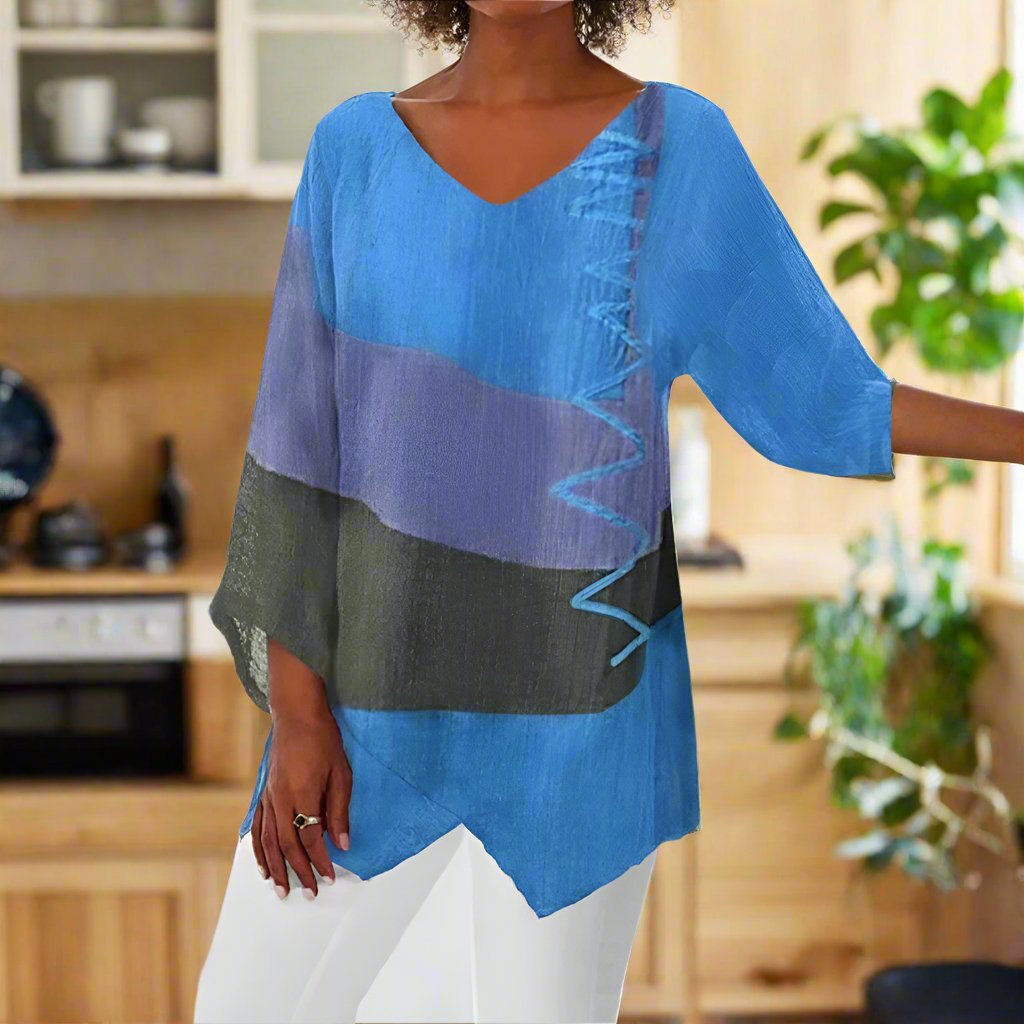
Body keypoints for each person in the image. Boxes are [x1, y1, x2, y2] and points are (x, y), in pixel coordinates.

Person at [194, 2, 1024, 1022]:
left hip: (579, 735)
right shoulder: (353, 152)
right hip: (371, 722)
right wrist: (299, 713)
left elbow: (822, 398)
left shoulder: (682, 152)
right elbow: (296, 451)